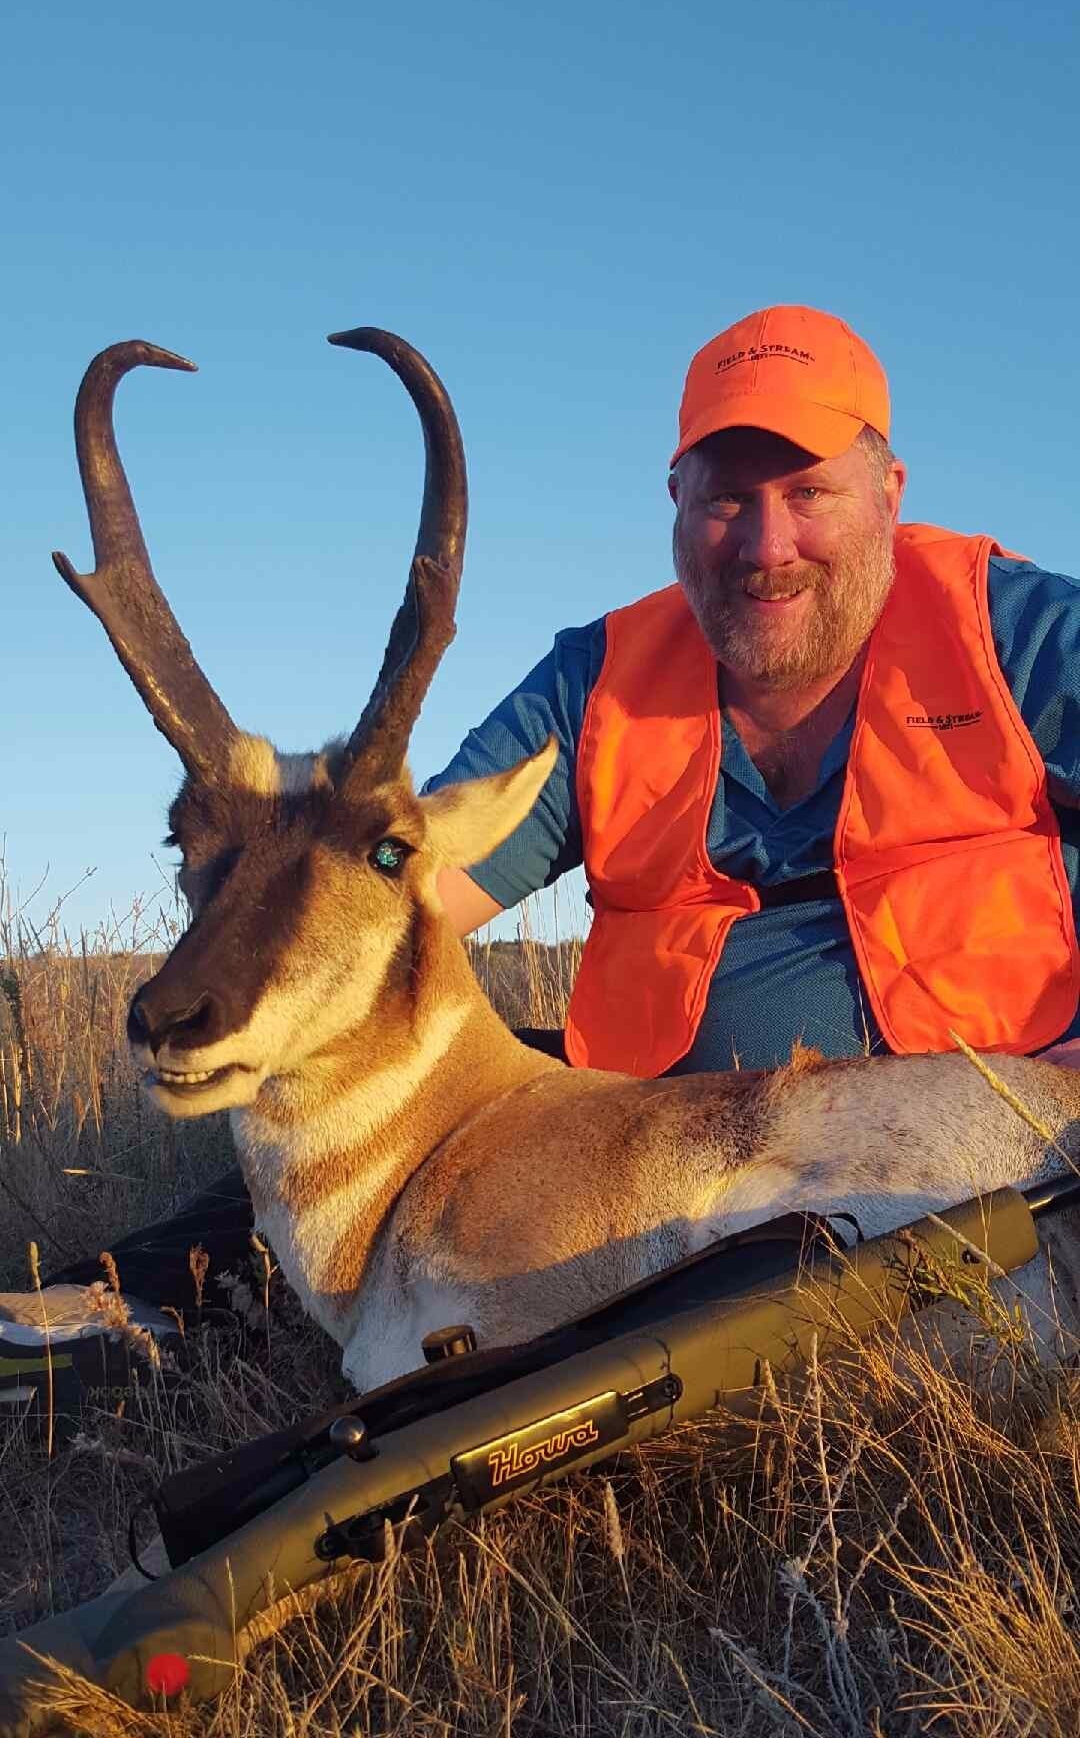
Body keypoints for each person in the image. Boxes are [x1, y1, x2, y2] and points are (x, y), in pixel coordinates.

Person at [14, 302, 1080, 1348]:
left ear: (889, 493)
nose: (766, 544)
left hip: (984, 1132)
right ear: (674, 500)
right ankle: (117, 1306)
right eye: (723, 499)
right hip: (639, 1145)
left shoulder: (1012, 630)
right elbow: (401, 891)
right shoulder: (597, 683)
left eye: (809, 492)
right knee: (401, 1109)